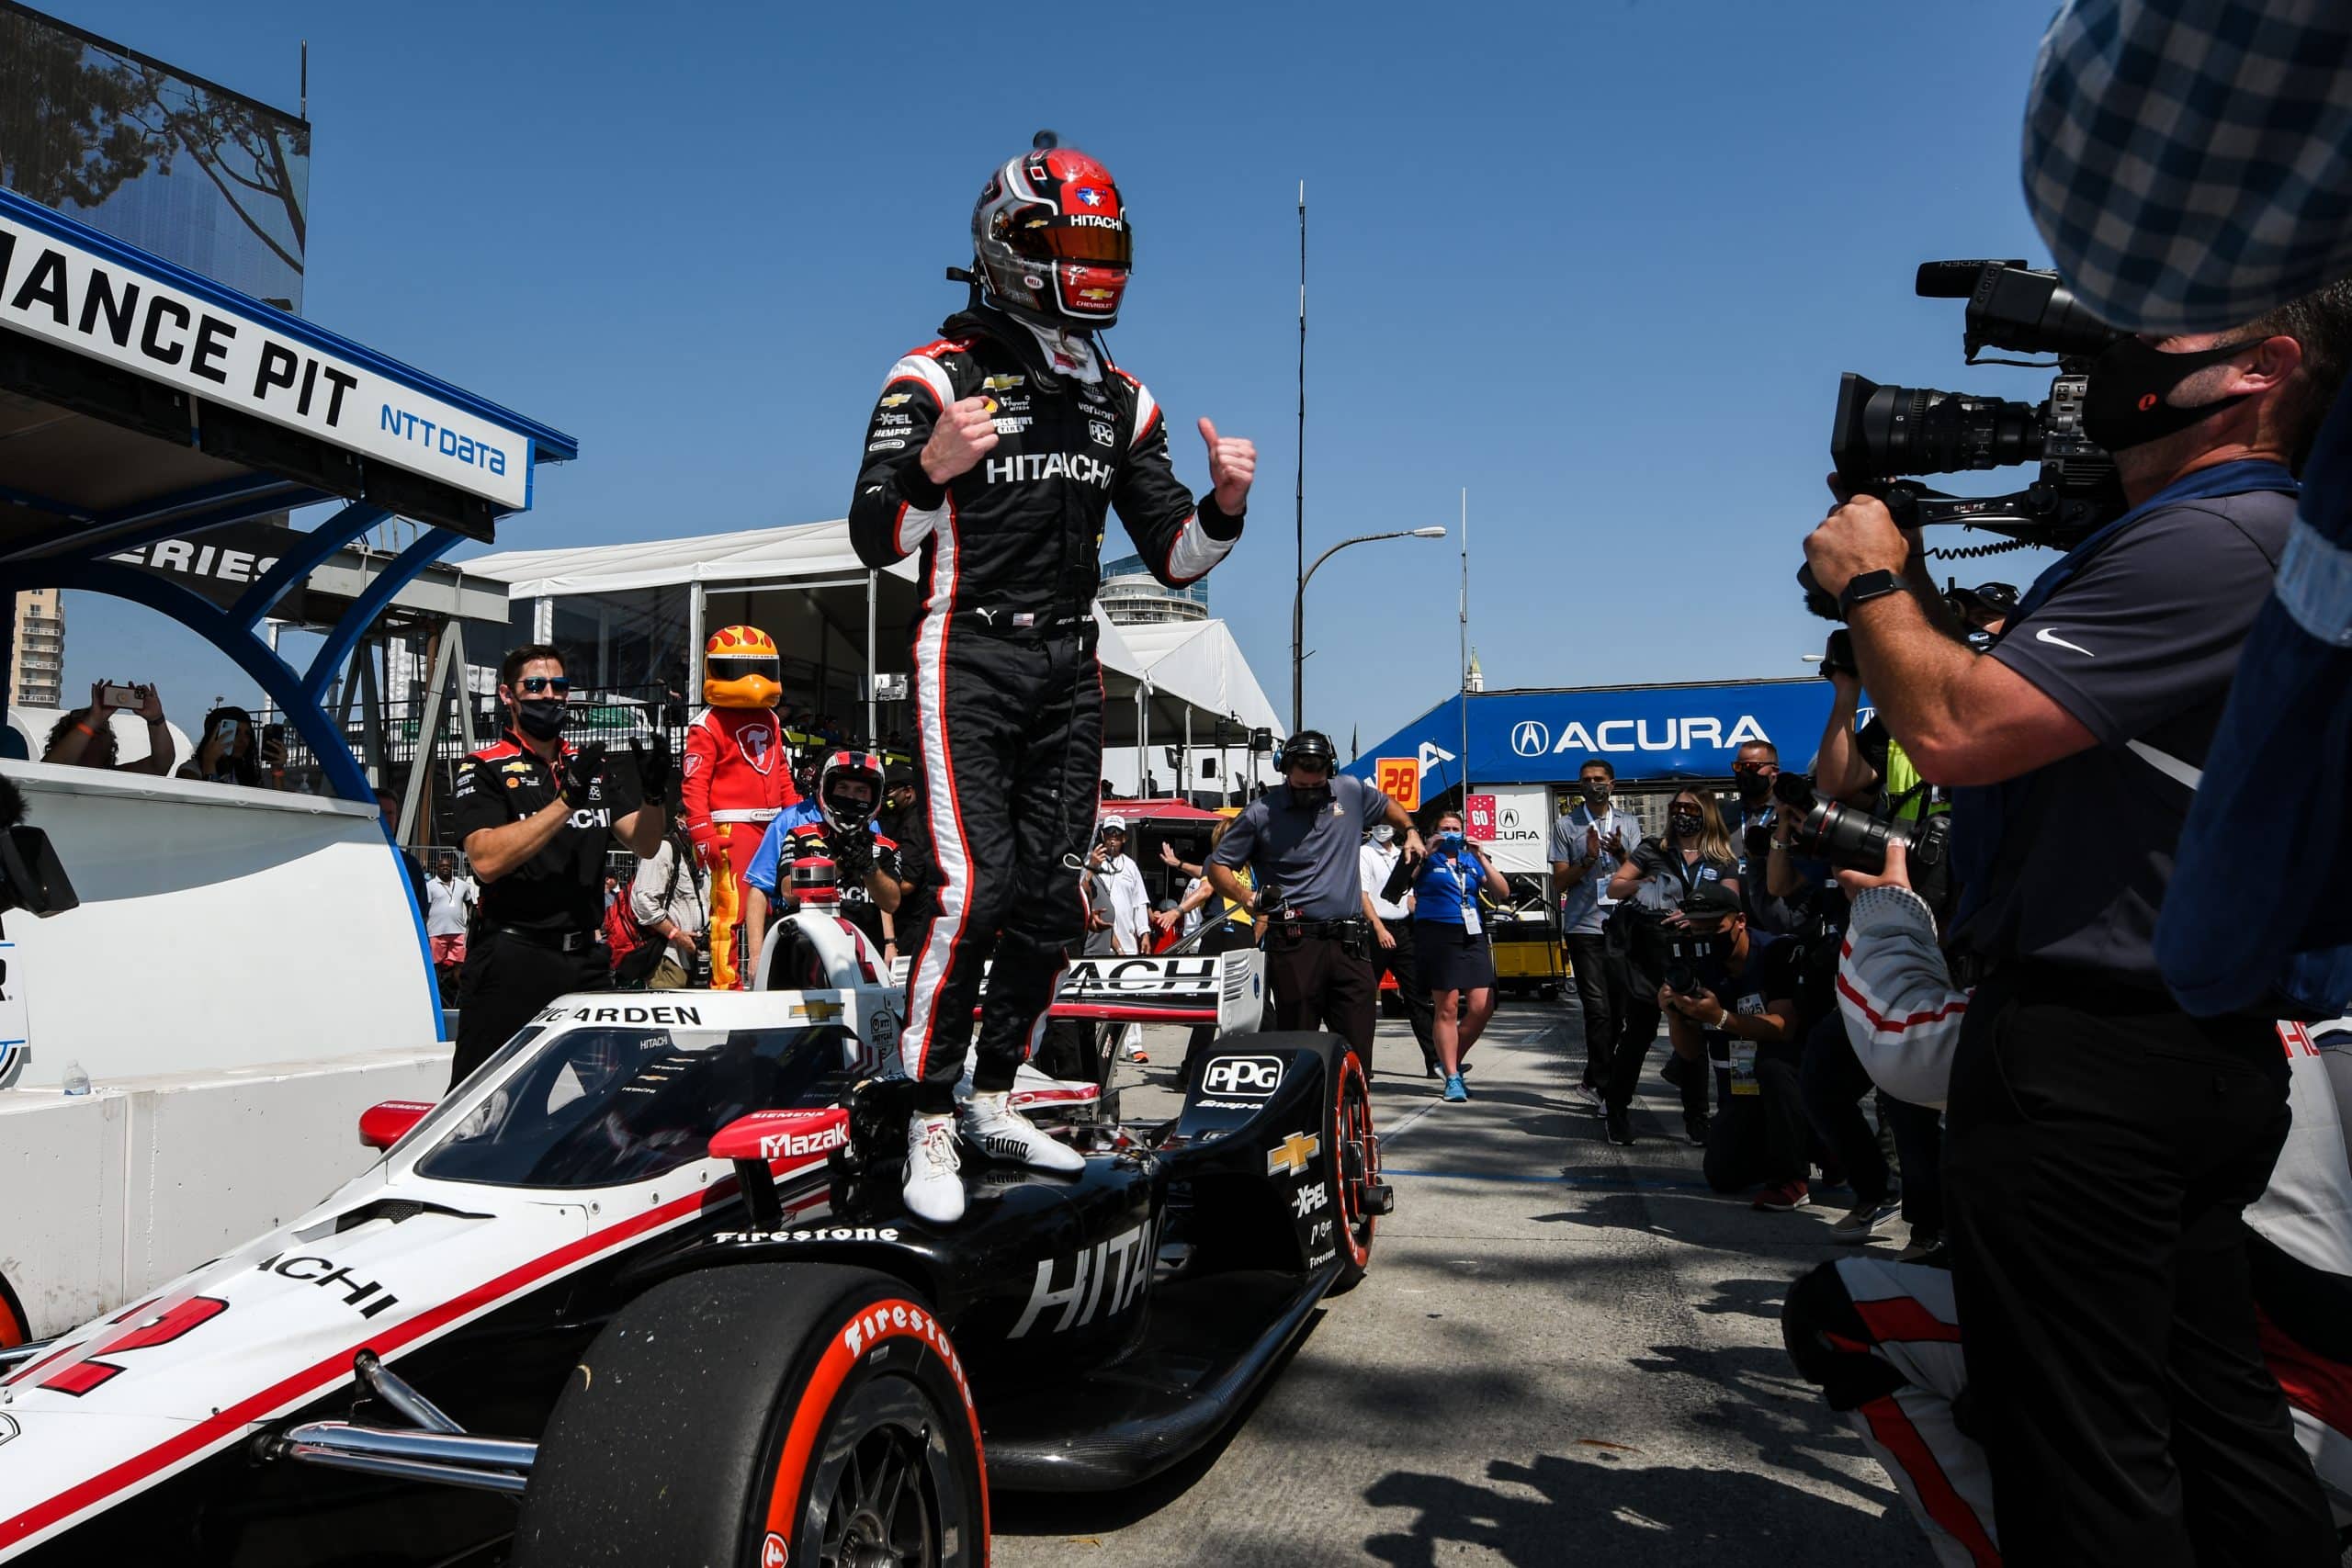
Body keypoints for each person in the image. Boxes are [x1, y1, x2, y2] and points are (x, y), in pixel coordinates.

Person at [1800, 279, 2352, 1562]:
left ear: (2266, 367)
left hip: (2094, 1068)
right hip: (2172, 1053)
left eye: (2170, 333)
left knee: (2088, 1469)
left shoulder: (2226, 535)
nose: (2125, 356)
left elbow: (1954, 731)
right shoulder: (2248, 535)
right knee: (2213, 1430)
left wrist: (1875, 576)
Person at [846, 131, 1255, 1224]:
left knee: (1049, 900)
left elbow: (1174, 557)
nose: (1091, 260)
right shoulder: (934, 374)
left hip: (1073, 664)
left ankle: (991, 1093)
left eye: (1104, 242)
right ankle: (925, 1110)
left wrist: (1223, 504)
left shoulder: (1121, 398)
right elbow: (873, 537)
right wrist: (931, 471)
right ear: (1009, 243)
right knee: (970, 891)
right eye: (1071, 240)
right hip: (965, 651)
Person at [1785, 837, 2352, 1565]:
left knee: (1837, 1315)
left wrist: (1890, 903)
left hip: (2245, 1408)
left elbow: (1897, 1031)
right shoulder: (2298, 1012)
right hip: (2292, 1420)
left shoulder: (2080, 1018)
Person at [447, 645, 668, 1087]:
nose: (550, 695)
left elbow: (645, 844)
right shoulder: (484, 767)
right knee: (483, 1104)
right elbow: (486, 859)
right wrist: (566, 800)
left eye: (559, 686)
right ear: (507, 695)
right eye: (536, 685)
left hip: (585, 959)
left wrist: (656, 794)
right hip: (513, 958)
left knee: (620, 1094)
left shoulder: (591, 767)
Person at [1207, 731, 1421, 1074]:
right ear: (1284, 770)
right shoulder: (1261, 813)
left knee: (1357, 1051)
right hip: (1295, 946)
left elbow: (1387, 806)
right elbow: (1218, 866)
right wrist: (1247, 896)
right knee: (1299, 1051)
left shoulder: (1349, 791)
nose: (1310, 792)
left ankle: (1355, 1122)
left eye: (1317, 785)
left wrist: (1410, 830)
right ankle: (1303, 1124)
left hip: (1350, 945)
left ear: (1330, 771)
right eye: (1302, 786)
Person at [1655, 879, 1809, 1207]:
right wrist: (1675, 1015)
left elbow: (1784, 1027)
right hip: (1740, 1092)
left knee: (1773, 1068)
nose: (1706, 938)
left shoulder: (1776, 952)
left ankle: (1795, 1174)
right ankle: (1774, 1153)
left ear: (1740, 921)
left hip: (1793, 1084)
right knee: (1722, 1176)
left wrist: (1720, 1018)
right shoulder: (1695, 963)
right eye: (1697, 930)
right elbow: (1689, 1051)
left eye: (1714, 928)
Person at [1603, 787, 1741, 1145]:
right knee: (1638, 1035)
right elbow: (1615, 888)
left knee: (1692, 1032)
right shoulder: (1653, 848)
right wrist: (1644, 883)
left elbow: (1731, 900)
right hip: (1650, 953)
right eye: (1676, 807)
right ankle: (1616, 1110)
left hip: (1696, 953)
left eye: (1690, 808)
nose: (1682, 813)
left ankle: (1697, 1118)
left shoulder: (1722, 857)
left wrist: (1698, 908)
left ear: (1706, 813)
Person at [681, 626, 797, 990]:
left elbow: (781, 773)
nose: (752, 678)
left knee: (779, 906)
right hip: (731, 830)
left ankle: (776, 977)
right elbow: (694, 784)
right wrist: (702, 832)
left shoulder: (771, 719)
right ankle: (725, 984)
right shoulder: (707, 724)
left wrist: (796, 818)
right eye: (739, 667)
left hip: (774, 826)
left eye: (760, 668)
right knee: (729, 911)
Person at [743, 750, 902, 981]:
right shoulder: (796, 832)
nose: (851, 797)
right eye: (843, 788)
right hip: (803, 954)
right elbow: (785, 891)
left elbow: (890, 902)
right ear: (825, 788)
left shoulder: (884, 844)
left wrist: (869, 867)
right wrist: (839, 865)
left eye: (861, 791)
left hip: (862, 954)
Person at [1551, 758, 1636, 1115]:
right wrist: (1586, 860)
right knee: (1598, 1011)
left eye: (1599, 779)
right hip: (1584, 927)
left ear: (1612, 784)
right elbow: (1559, 882)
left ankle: (1590, 1076)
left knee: (1619, 1014)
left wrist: (1619, 853)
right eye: (1586, 779)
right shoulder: (1565, 824)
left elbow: (1641, 873)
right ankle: (1605, 1088)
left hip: (1623, 925)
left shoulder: (1629, 823)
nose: (1593, 784)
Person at [1411, 807, 1509, 1103]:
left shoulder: (1470, 860)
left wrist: (1481, 857)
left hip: (1472, 933)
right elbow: (1404, 882)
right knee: (1448, 1006)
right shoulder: (1427, 859)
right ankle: (1453, 1076)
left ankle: (1448, 1059)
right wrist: (1426, 853)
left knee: (1483, 1005)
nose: (1452, 834)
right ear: (1435, 832)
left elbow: (1502, 891)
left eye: (1456, 828)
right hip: (1438, 934)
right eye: (1446, 828)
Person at [1362, 820, 1440, 1077]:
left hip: (1404, 928)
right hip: (1377, 929)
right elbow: (1362, 895)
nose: (1383, 828)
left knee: (1419, 997)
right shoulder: (1365, 853)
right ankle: (1363, 1064)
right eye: (1378, 824)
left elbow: (1410, 892)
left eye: (1387, 824)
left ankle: (1435, 1061)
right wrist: (1378, 928)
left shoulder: (1402, 853)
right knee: (1364, 999)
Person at [1083, 815, 1152, 1064]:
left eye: (1117, 834)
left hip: (1127, 937)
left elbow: (1140, 902)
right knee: (1095, 992)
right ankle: (1097, 1043)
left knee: (1129, 992)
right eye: (1108, 833)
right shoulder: (1090, 863)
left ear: (1123, 838)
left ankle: (1134, 1046)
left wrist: (1144, 932)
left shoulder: (1130, 866)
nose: (1112, 838)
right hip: (1098, 939)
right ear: (1102, 836)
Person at [628, 818, 706, 991]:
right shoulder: (663, 849)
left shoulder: (696, 852)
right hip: (670, 957)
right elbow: (643, 900)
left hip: (695, 957)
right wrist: (676, 935)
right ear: (680, 819)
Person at [878, 762, 941, 967]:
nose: (885, 797)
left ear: (908, 792)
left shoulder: (914, 824)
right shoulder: (897, 817)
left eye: (888, 791)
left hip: (913, 923)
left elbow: (907, 884)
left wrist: (875, 881)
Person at [41, 681, 171, 775]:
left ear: (111, 742)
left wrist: (156, 719)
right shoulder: (48, 774)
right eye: (85, 730)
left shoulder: (115, 777)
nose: (92, 736)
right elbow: (49, 769)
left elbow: (161, 765)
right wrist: (93, 720)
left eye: (100, 731)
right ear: (64, 739)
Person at [176, 705, 288, 788]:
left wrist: (277, 770)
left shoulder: (244, 773)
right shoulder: (189, 771)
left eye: (247, 734)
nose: (243, 740)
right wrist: (209, 763)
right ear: (215, 735)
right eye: (235, 732)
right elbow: (210, 809)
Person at [424, 852, 477, 1006]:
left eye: (448, 866)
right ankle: (436, 996)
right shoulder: (430, 886)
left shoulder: (462, 885)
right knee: (436, 965)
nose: (445, 868)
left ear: (452, 868)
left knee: (460, 965)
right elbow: (426, 907)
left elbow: (470, 903)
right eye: (442, 866)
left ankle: (461, 998)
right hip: (436, 932)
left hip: (458, 931)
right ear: (437, 868)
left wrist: (469, 921)